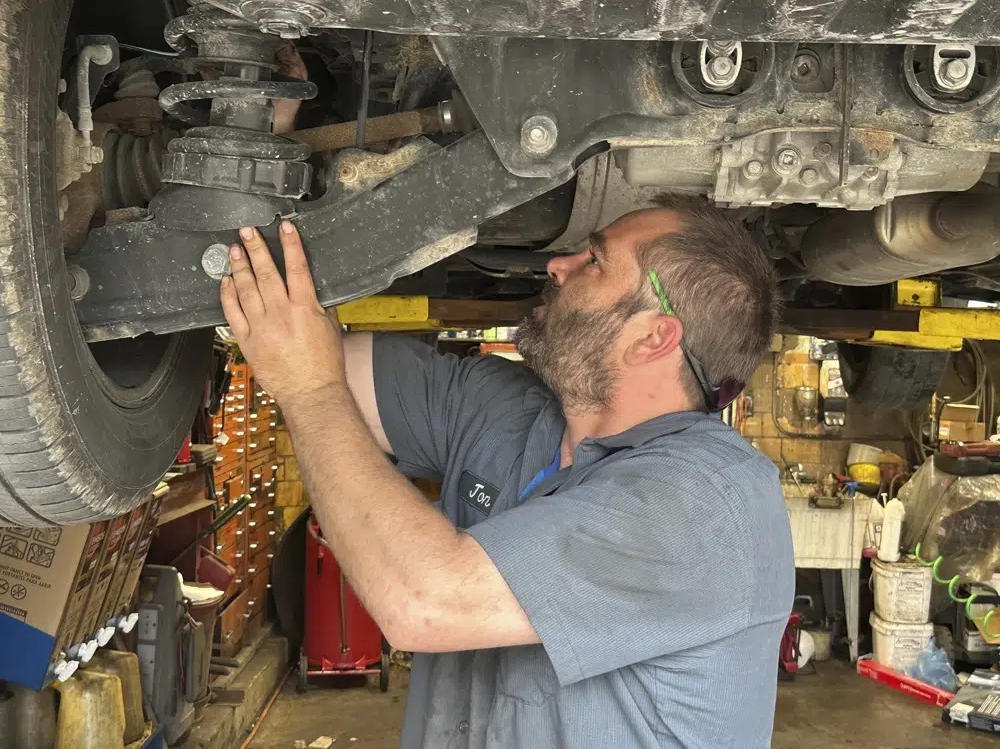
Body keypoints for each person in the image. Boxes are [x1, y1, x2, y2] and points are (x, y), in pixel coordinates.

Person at [219, 193, 795, 749]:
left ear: (651, 337)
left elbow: (427, 602)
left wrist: (311, 392)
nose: (558, 265)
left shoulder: (704, 504)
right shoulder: (507, 409)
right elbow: (309, 352)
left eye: (594, 261)